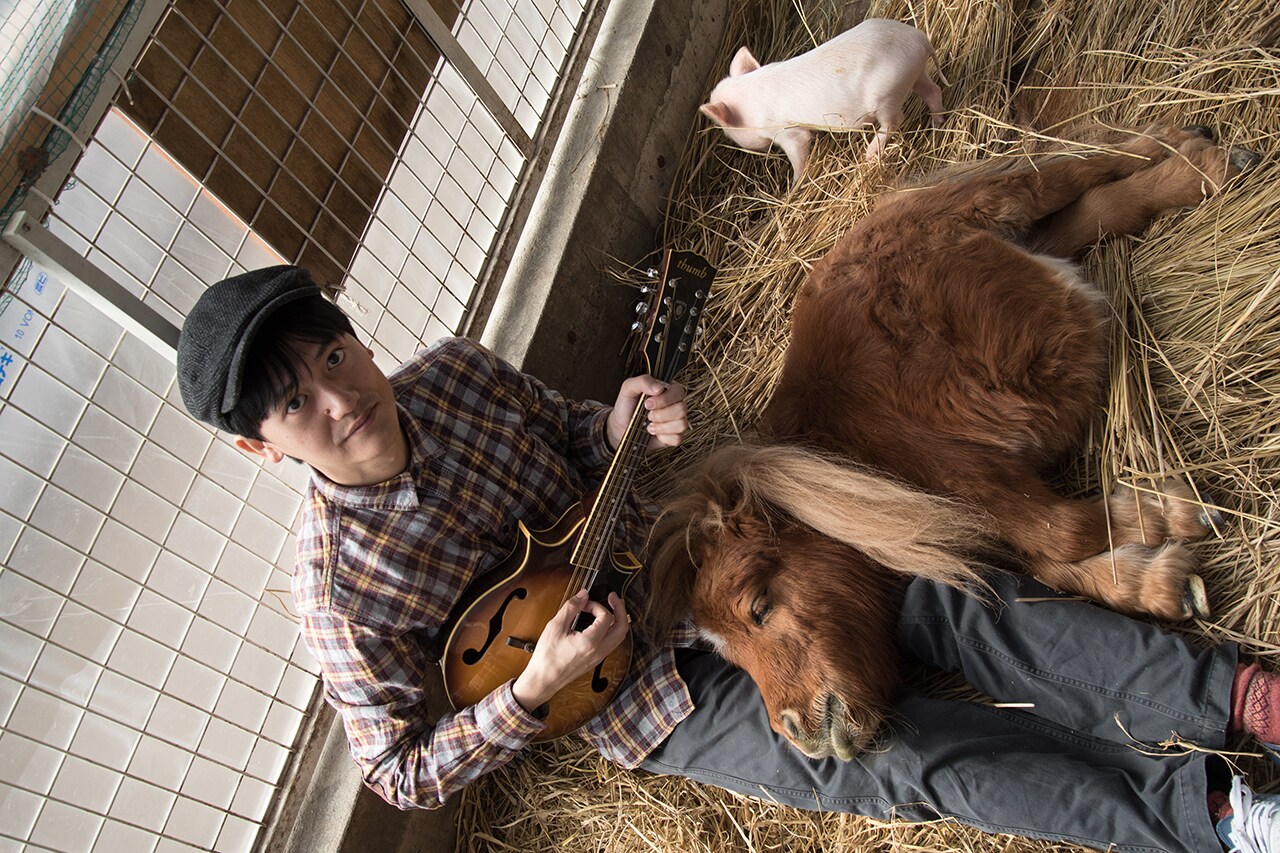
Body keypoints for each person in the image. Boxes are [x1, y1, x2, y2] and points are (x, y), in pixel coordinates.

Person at [177, 265, 1280, 853]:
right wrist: (527, 693)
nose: (338, 396)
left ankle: (1239, 695)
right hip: (635, 698)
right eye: (294, 403)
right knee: (897, 760)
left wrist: (618, 422)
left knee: (946, 601)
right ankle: (1212, 816)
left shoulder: (453, 375)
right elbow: (397, 772)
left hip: (684, 556)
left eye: (333, 351)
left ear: (353, 331)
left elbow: (567, 431)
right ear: (255, 444)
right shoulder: (334, 591)